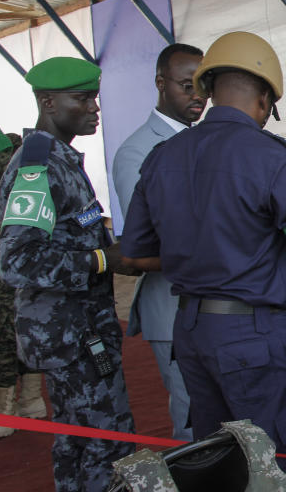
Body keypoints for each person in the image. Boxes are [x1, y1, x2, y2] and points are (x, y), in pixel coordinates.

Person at [121, 31, 286, 491]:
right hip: (254, 336)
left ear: (209, 89)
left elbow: (136, 252)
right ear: (264, 98)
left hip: (193, 333)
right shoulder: (270, 157)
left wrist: (196, 253)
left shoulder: (162, 157)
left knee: (222, 463)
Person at [0, 57, 135, 491]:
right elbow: (16, 259)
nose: (94, 108)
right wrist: (102, 260)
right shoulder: (36, 168)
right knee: (106, 443)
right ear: (48, 102)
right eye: (82, 99)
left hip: (80, 331)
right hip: (69, 336)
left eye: (93, 97)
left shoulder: (61, 160)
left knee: (78, 442)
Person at [111, 43, 206, 442]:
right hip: (172, 308)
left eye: (204, 87)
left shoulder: (207, 142)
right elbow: (149, 242)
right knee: (194, 419)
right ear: (160, 84)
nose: (198, 97)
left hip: (217, 304)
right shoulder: (136, 152)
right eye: (187, 86)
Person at [0, 127, 47, 438]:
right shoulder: (18, 159)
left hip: (6, 259)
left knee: (2, 330)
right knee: (21, 325)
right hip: (24, 259)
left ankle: (4, 410)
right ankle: (32, 400)